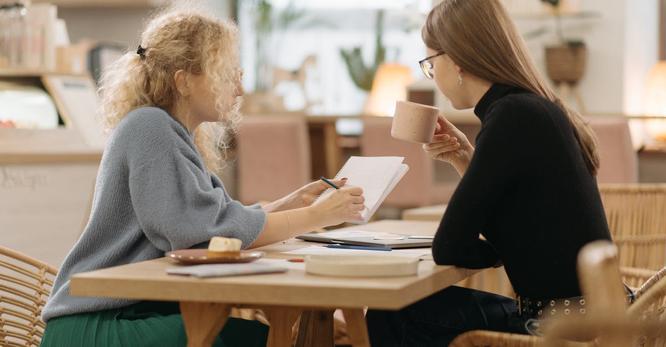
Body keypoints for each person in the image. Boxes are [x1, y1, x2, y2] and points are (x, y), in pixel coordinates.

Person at [41, 7, 365, 347]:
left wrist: (290, 204)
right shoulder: (150, 128)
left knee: (274, 337)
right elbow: (199, 234)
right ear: (183, 81)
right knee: (259, 340)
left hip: (127, 314)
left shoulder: (170, 132)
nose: (239, 88)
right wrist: (316, 216)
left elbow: (216, 223)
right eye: (226, 74)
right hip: (95, 326)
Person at [366, 0, 612, 345]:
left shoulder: (510, 116)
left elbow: (449, 247)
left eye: (430, 63)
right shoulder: (532, 107)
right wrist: (466, 158)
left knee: (390, 311)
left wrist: (498, 255)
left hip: (559, 328)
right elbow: (522, 225)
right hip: (593, 315)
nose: (433, 75)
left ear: (457, 60)